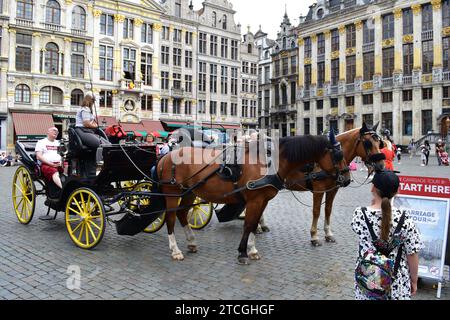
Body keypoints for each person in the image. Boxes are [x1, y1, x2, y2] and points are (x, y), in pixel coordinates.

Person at [351, 170, 423, 300]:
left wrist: (373, 203)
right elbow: (412, 253)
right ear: (397, 192)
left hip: (368, 280)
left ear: (372, 187)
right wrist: (414, 280)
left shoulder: (359, 215)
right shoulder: (405, 219)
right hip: (396, 282)